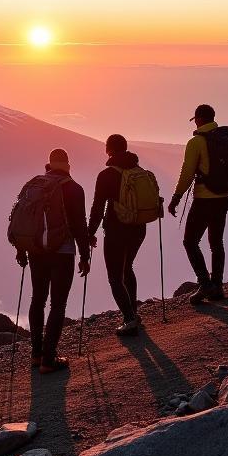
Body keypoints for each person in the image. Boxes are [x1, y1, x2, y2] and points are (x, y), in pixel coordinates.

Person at [15, 148, 91, 373]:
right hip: (63, 252)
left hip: (36, 250)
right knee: (58, 304)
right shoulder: (74, 188)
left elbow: (23, 221)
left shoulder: (32, 185)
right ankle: (49, 359)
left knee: (37, 299)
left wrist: (21, 250)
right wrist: (85, 256)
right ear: (68, 164)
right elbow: (80, 225)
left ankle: (36, 355)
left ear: (49, 164)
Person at [168, 104, 228, 304]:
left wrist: (176, 197)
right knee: (216, 242)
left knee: (190, 241)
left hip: (205, 198)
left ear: (198, 119)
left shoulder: (196, 142)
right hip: (225, 196)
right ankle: (218, 286)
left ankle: (205, 284)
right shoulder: (226, 138)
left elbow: (187, 172)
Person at [88, 134, 148, 336]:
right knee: (127, 267)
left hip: (116, 230)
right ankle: (133, 314)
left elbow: (97, 208)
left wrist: (90, 233)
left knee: (115, 276)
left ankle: (129, 318)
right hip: (139, 228)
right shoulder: (139, 171)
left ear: (109, 150)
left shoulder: (106, 175)